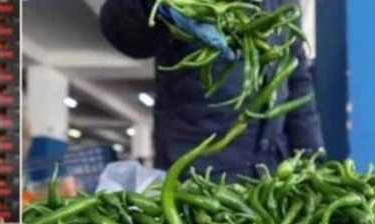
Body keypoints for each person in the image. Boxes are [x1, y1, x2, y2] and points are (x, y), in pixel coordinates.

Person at [99, 0, 324, 180]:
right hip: (197, 169)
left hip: (270, 166)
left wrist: (311, 155)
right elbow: (118, 27)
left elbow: (296, 80)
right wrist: (157, 6)